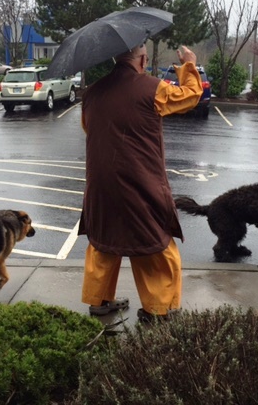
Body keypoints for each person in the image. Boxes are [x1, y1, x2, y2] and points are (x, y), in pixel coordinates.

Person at [78, 43, 203, 322]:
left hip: (100, 184)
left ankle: (99, 302)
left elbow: (88, 127)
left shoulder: (92, 93)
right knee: (153, 245)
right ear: (143, 58)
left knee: (103, 241)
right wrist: (189, 65)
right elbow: (191, 96)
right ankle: (157, 310)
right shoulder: (152, 88)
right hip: (139, 180)